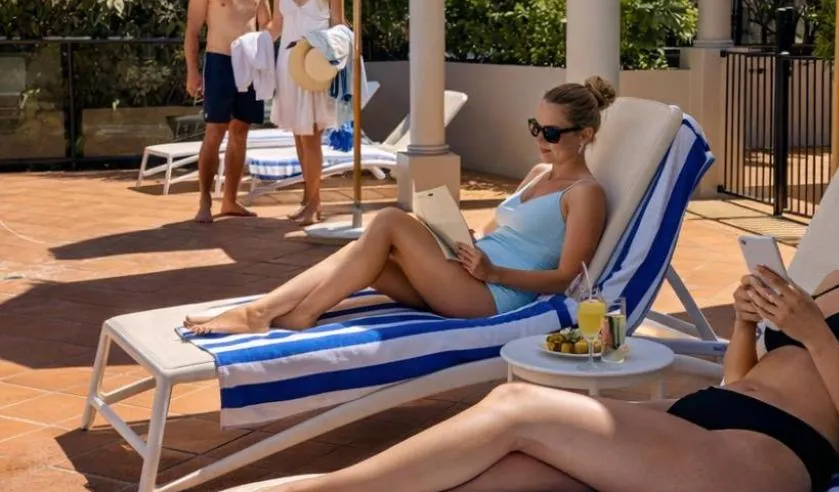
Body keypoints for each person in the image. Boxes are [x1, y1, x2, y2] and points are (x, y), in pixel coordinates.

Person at [169, 113, 839, 492]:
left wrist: (817, 336)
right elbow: (741, 385)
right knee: (500, 462)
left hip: (764, 463)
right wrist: (746, 325)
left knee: (521, 407)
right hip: (710, 426)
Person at [183, 77, 614, 337]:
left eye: (553, 133)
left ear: (586, 135)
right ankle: (278, 313)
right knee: (369, 254)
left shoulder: (584, 194)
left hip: (491, 295)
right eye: (536, 127)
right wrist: (456, 235)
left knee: (389, 220)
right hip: (468, 271)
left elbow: (568, 278)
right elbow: (497, 230)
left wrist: (492, 272)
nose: (541, 138)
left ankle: (264, 313)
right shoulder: (539, 174)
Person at [184, 0, 270, 224]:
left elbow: (267, 25)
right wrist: (192, 71)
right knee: (214, 132)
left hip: (249, 63)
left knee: (241, 131)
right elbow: (193, 30)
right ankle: (205, 201)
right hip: (219, 62)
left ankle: (230, 201)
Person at [269, 0, 346, 226]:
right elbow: (276, 26)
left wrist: (339, 49)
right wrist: (249, 44)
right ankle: (307, 198)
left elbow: (339, 27)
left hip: (313, 65)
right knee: (299, 137)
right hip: (287, 64)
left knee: (310, 137)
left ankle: (315, 203)